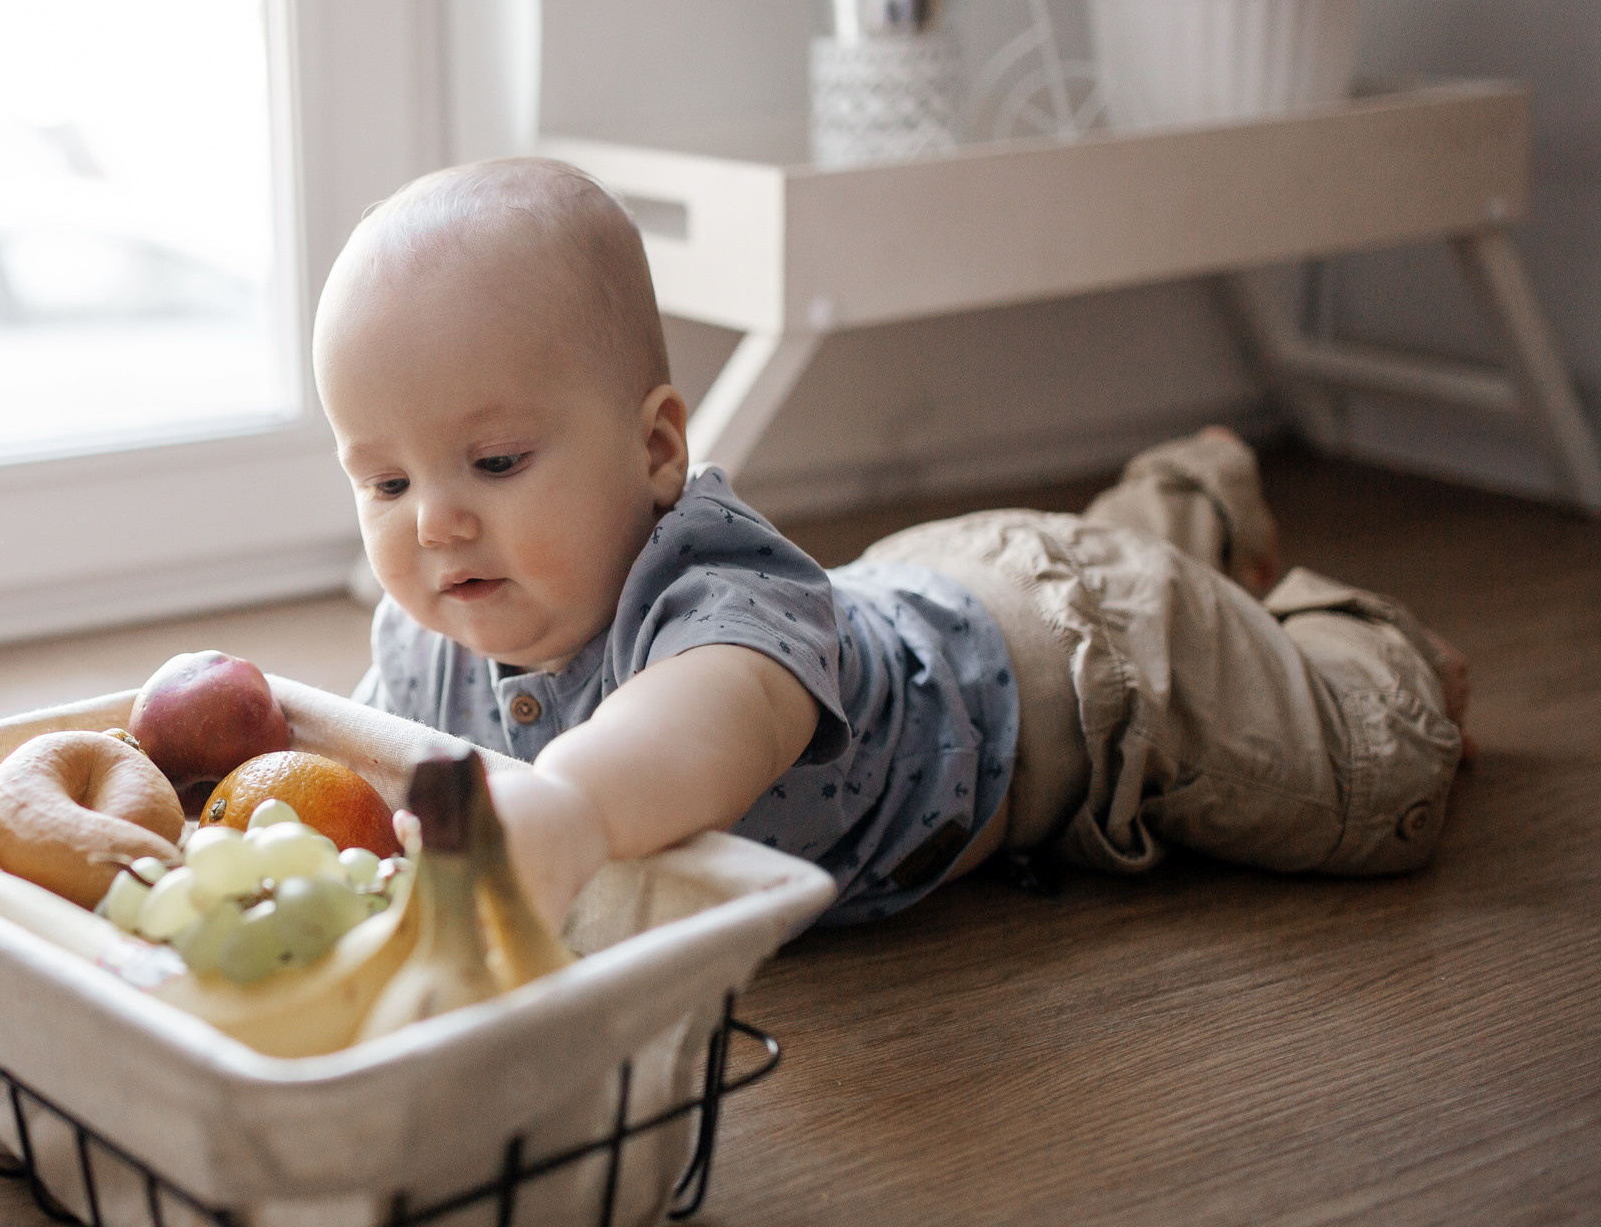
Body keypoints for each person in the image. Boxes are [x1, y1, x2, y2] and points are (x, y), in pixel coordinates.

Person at [318, 157, 1469, 928]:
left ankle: (1354, 644)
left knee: (1371, 787)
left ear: (659, 449)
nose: (436, 521)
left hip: (1081, 666)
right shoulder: (425, 645)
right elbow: (358, 786)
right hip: (939, 585)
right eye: (384, 479)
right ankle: (1191, 491)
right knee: (1118, 558)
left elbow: (691, 737)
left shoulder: (720, 604)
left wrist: (563, 805)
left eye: (498, 461)